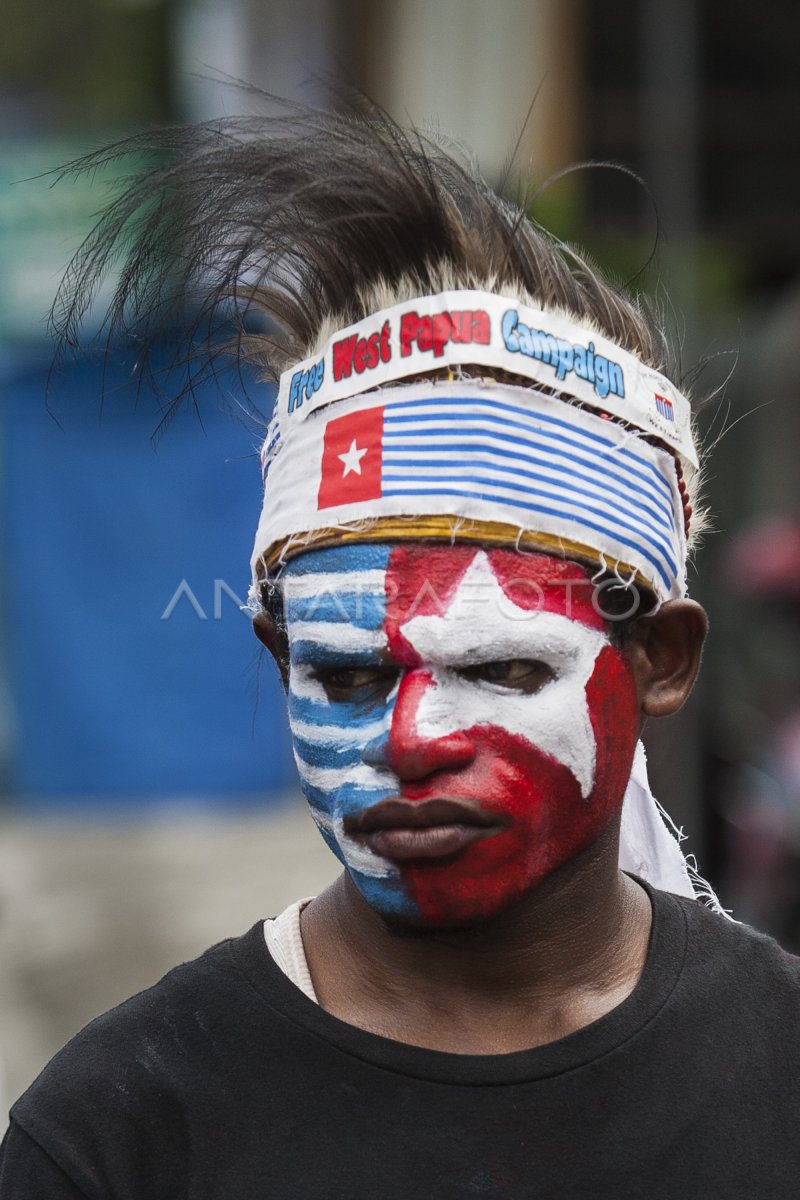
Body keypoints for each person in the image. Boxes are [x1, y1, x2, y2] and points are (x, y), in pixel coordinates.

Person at [2, 102, 799, 1199]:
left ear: (658, 659)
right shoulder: (122, 1128)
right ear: (278, 659)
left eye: (502, 668)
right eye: (347, 677)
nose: (407, 742)